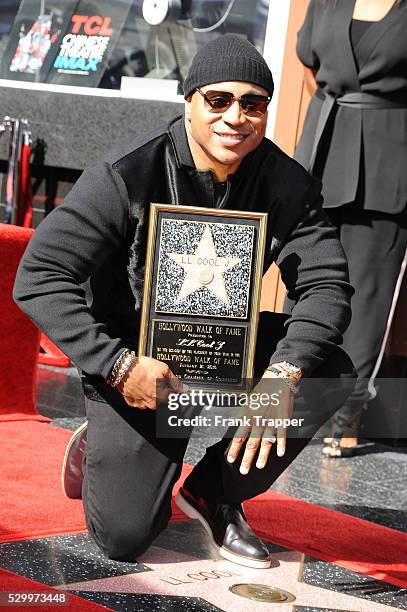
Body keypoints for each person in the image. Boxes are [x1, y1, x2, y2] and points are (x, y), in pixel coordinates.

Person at [13, 34, 354, 569]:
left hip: (227, 351)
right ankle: (100, 442)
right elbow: (39, 274)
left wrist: (284, 373)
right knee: (124, 537)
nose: (234, 117)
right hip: (138, 366)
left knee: (327, 368)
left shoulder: (286, 182)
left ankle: (217, 492)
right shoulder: (126, 173)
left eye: (252, 103)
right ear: (189, 103)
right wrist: (116, 366)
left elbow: (327, 285)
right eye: (217, 100)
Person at [294, 0, 407, 457]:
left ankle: (347, 411)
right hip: (322, 148)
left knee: (368, 290)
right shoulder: (326, 1)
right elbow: (310, 70)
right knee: (303, 278)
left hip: (389, 159)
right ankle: (293, 395)